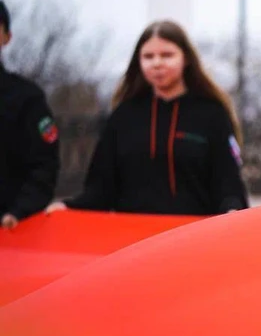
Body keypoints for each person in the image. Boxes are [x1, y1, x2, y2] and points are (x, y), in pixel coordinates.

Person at [47, 20, 248, 216]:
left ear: (186, 58)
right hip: (134, 242)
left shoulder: (211, 114)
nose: (157, 63)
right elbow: (100, 188)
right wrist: (69, 207)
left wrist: (232, 209)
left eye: (167, 55)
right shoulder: (123, 116)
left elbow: (228, 183)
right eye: (148, 56)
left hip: (194, 240)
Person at [0, 0, 60, 230]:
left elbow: (44, 165)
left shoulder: (26, 98)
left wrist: (19, 211)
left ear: (7, 37)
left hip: (11, 234)